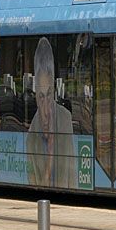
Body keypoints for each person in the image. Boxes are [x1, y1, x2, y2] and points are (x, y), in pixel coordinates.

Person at [27, 38, 75, 188]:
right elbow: (39, 192)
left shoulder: (65, 119)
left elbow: (73, 180)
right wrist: (50, 158)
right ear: (35, 97)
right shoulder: (31, 138)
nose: (46, 110)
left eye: (48, 95)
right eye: (41, 97)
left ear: (54, 91)